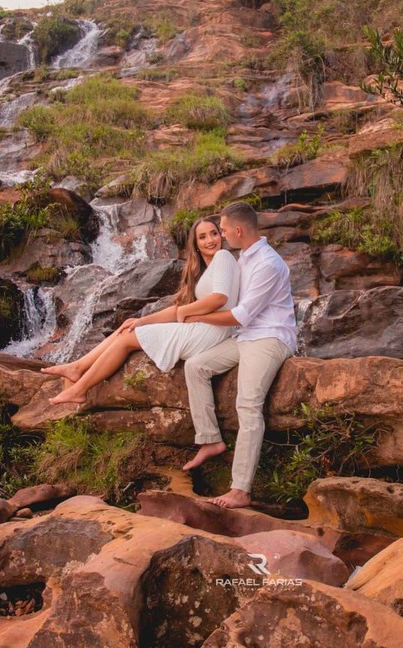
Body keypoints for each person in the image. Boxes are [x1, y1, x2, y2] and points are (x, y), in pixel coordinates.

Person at [43, 218, 239, 405]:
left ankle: (79, 390)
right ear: (195, 244)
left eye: (214, 233)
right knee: (127, 329)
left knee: (128, 339)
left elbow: (219, 298)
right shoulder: (204, 271)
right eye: (202, 237)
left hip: (212, 331)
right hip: (206, 329)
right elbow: (177, 310)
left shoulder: (223, 257)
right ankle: (77, 367)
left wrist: (185, 312)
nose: (210, 240)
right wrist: (142, 320)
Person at [179, 201, 297, 509]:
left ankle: (241, 489)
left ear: (239, 230)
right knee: (196, 366)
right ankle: (210, 439)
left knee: (247, 404)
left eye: (224, 229)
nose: (222, 235)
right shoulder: (242, 257)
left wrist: (195, 318)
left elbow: (242, 315)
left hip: (269, 338)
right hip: (245, 337)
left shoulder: (267, 264)